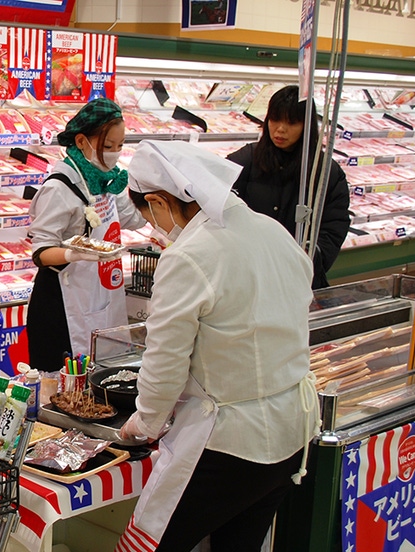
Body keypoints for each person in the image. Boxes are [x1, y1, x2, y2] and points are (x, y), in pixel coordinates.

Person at [116, 140, 319, 552]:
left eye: (149, 215)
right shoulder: (272, 230)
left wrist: (142, 425)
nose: (155, 226)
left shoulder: (189, 256)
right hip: (292, 429)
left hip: (229, 442)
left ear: (157, 201)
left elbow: (164, 364)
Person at [26, 98, 143, 372]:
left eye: (119, 146)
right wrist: (75, 253)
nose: (114, 153)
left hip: (100, 294)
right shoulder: (60, 186)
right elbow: (40, 252)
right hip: (60, 306)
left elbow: (134, 218)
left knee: (101, 376)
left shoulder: (106, 180)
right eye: (107, 146)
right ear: (81, 141)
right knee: (64, 388)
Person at [227, 84, 350, 289]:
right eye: (275, 119)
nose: (280, 129)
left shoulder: (325, 172)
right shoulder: (248, 159)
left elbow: (334, 227)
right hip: (248, 275)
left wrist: (306, 261)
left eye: (292, 122)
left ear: (307, 125)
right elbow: (215, 196)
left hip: (298, 279)